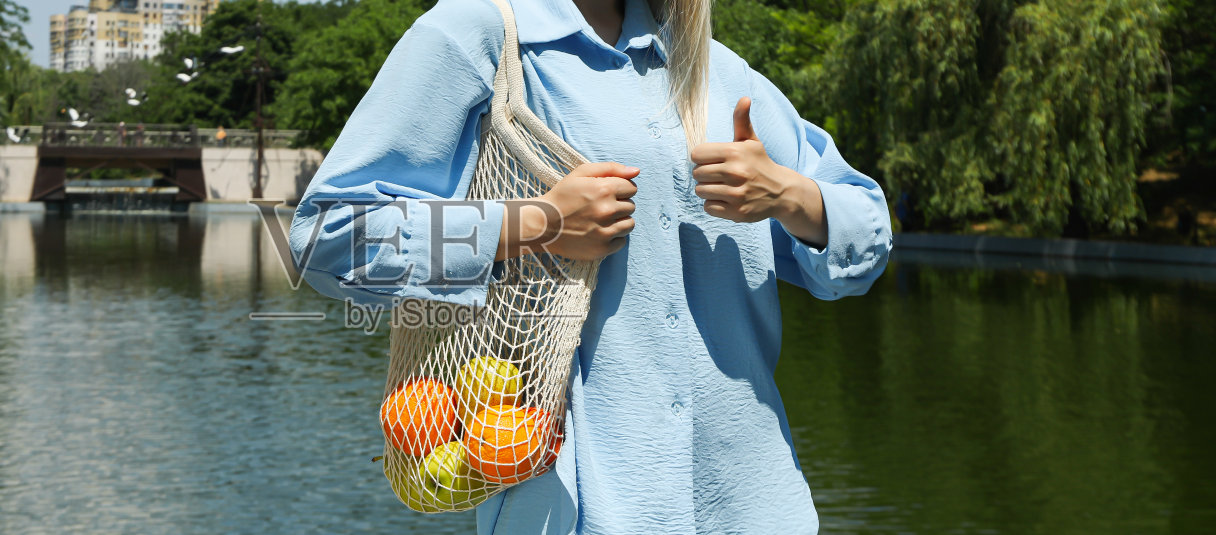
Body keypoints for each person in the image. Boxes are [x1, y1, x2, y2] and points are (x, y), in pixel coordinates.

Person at [289, 0, 892, 532]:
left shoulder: (715, 69)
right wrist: (536, 223)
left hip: (758, 510)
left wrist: (790, 195)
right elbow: (326, 239)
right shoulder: (476, 32)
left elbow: (865, 241)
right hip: (580, 514)